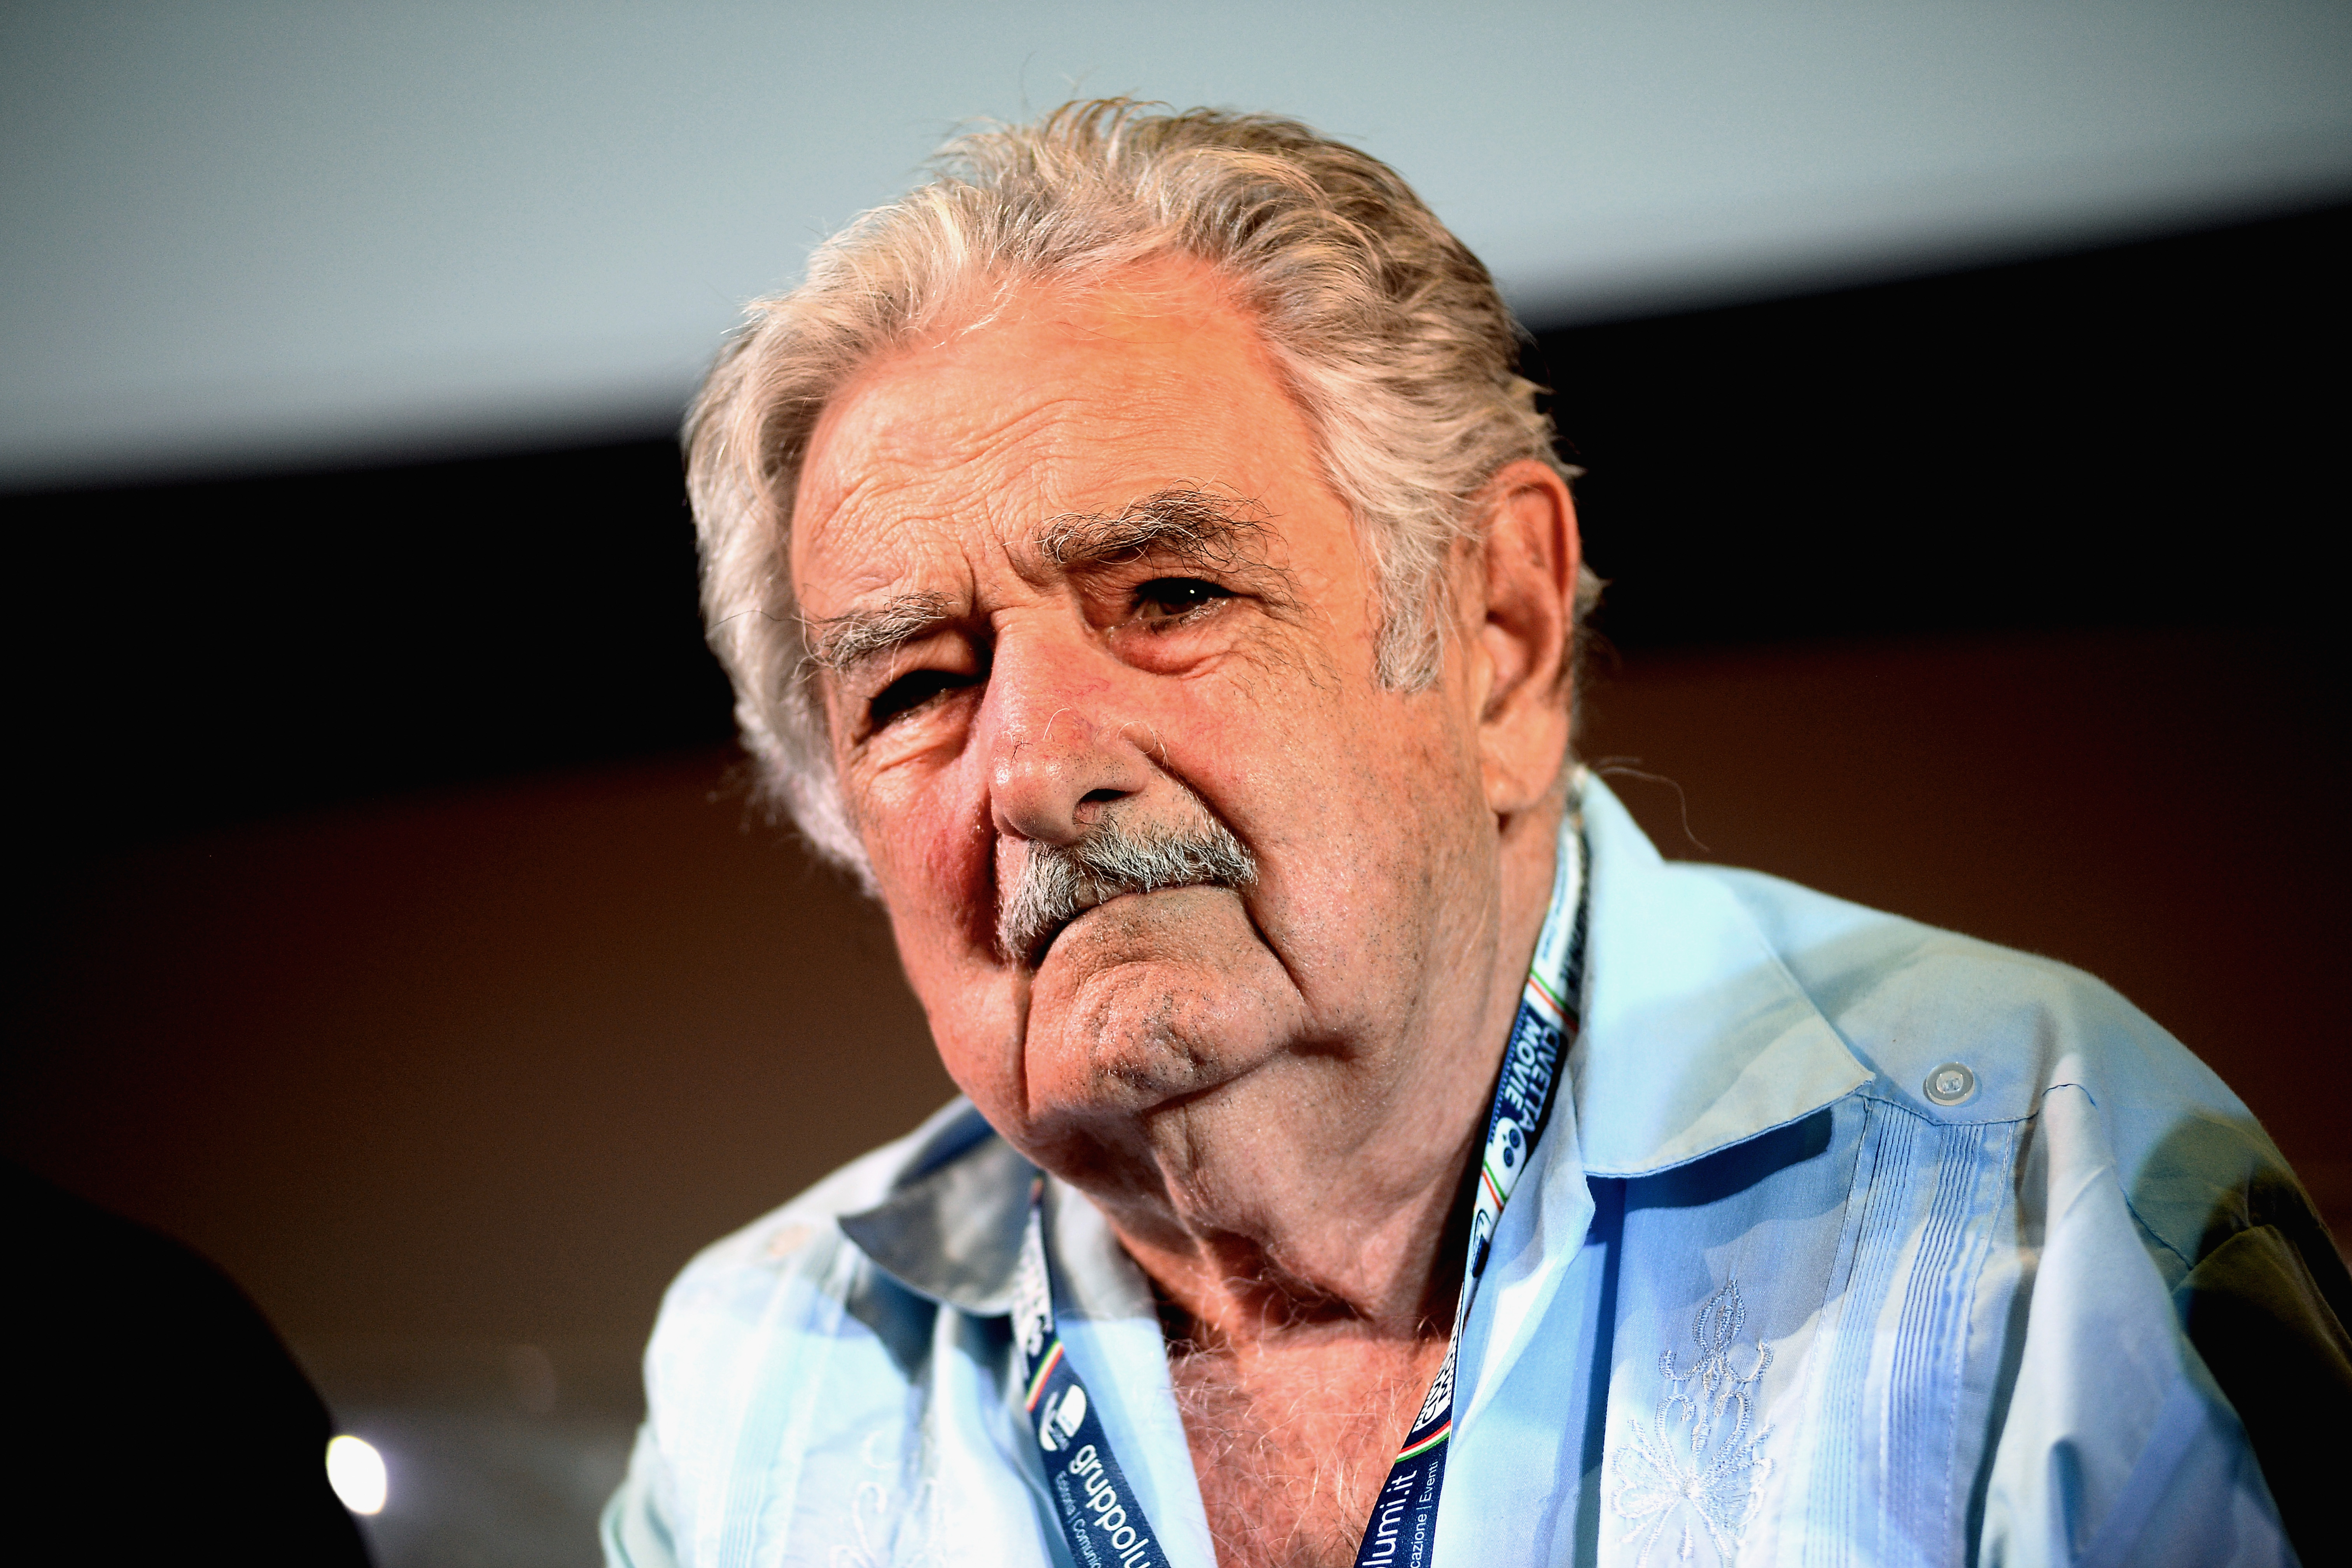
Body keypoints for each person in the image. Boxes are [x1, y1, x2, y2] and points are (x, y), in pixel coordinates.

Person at [602, 102, 2346, 1567]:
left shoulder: (2049, 1209)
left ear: (1499, 633)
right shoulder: (761, 1384)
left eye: (1172, 593)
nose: (1036, 766)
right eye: (917, 686)